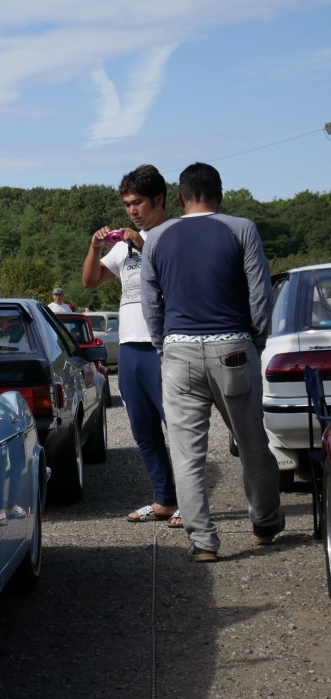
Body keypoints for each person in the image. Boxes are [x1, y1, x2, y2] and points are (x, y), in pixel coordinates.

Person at [141, 162, 284, 562]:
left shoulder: (157, 238)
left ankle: (204, 541)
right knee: (252, 442)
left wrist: (163, 343)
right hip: (233, 348)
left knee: (188, 454)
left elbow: (151, 304)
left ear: (181, 199)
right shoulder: (241, 229)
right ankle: (265, 522)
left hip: (178, 351)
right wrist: (255, 339)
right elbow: (261, 294)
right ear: (219, 197)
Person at [82, 164, 178, 525]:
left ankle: (190, 502)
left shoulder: (174, 234)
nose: (132, 211)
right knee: (143, 430)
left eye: (138, 202)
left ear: (159, 199)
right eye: (126, 205)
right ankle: (164, 500)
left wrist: (143, 244)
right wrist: (95, 247)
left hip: (164, 345)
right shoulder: (124, 247)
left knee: (178, 428)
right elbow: (90, 281)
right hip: (130, 347)